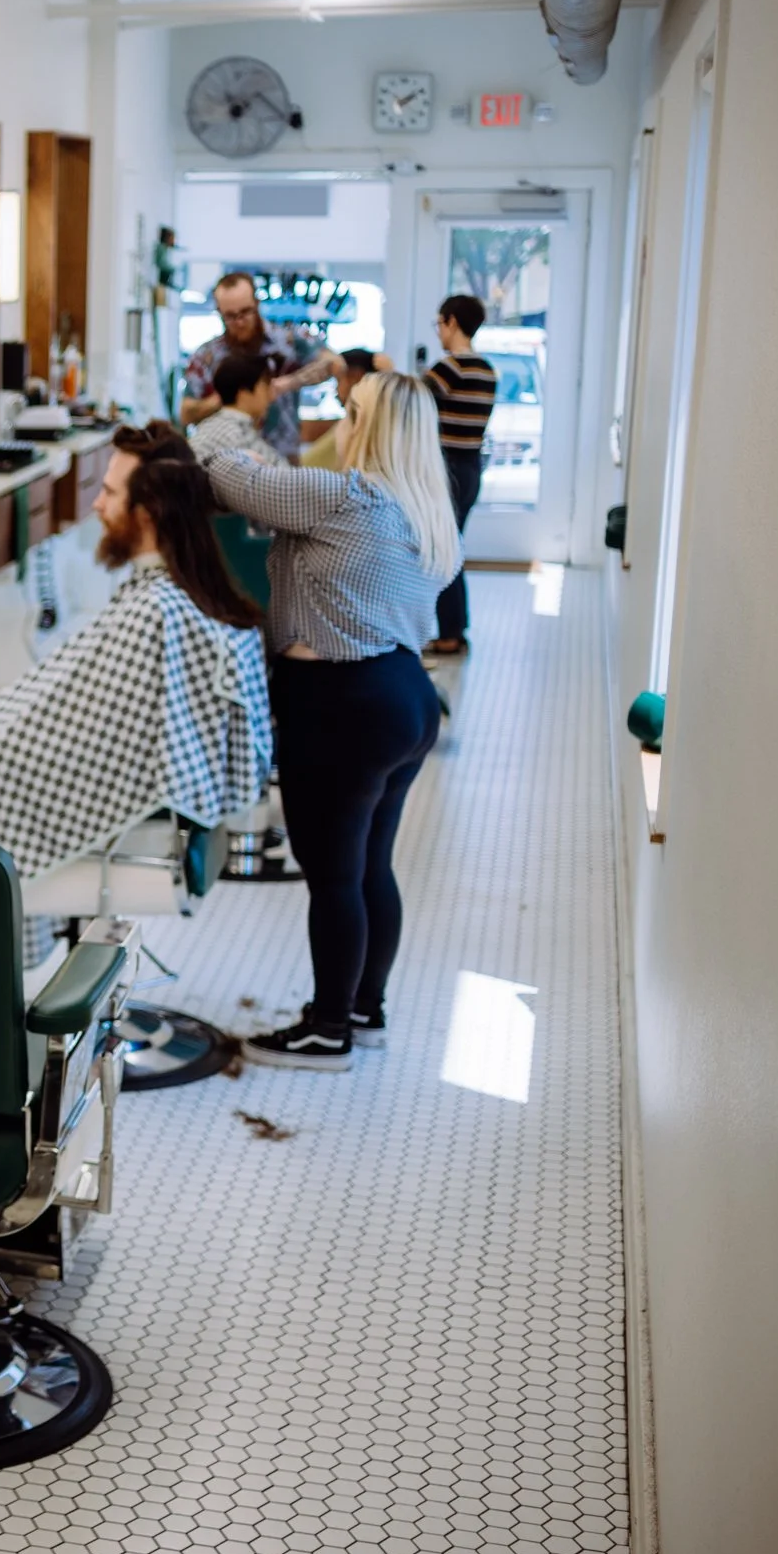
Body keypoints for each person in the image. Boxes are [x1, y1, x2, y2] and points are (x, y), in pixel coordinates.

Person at [0, 422, 272, 938]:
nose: (97, 506)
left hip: (139, 821)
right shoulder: (187, 593)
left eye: (107, 493)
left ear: (146, 514)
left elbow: (81, 743)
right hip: (161, 801)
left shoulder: (157, 612)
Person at [194, 374, 459, 1071]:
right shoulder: (425, 510)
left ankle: (326, 1028)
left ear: (372, 429)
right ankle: (364, 1008)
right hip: (406, 698)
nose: (342, 423)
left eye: (351, 412)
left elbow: (219, 476)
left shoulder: (345, 497)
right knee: (372, 864)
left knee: (333, 875)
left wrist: (231, 437)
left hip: (339, 705)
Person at [180, 270, 337, 461]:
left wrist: (286, 384)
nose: (239, 322)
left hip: (282, 459)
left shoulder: (289, 341)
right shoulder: (206, 357)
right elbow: (186, 414)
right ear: (219, 312)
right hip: (227, 465)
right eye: (230, 316)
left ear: (257, 303)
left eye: (245, 312)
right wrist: (232, 396)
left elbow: (335, 364)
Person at [420, 295, 498, 652]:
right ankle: (454, 629)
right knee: (453, 546)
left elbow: (410, 401)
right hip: (471, 468)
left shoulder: (449, 367)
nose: (438, 331)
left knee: (441, 549)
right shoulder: (486, 369)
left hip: (447, 466)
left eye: (439, 323)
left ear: (452, 322)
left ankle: (450, 634)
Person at [189, 350, 282, 464]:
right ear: (243, 393)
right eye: (266, 386)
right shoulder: (222, 434)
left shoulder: (238, 429)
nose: (272, 397)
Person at [299, 347, 383, 470]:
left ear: (355, 377)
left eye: (338, 381)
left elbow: (306, 465)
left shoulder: (355, 427)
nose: (336, 391)